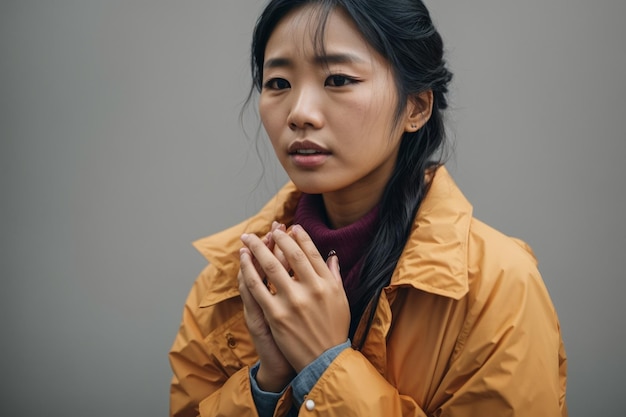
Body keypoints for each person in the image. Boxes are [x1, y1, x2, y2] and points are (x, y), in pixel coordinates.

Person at [169, 0, 568, 416]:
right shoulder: (226, 282)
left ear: (415, 106)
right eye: (279, 83)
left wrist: (324, 363)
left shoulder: (498, 288)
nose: (299, 113)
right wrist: (267, 384)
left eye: (338, 79)